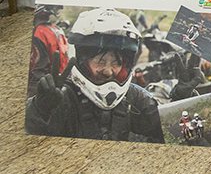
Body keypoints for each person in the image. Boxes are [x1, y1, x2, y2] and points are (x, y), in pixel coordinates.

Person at [26, 8, 164, 143]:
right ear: (82, 61)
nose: (108, 71)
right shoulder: (62, 97)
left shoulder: (134, 96)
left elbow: (167, 129)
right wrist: (40, 109)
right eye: (100, 61)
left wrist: (181, 96)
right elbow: (27, 137)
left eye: (117, 63)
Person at [28, 5, 69, 98]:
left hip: (44, 87)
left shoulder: (38, 32)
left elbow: (37, 69)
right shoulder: (58, 30)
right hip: (62, 83)